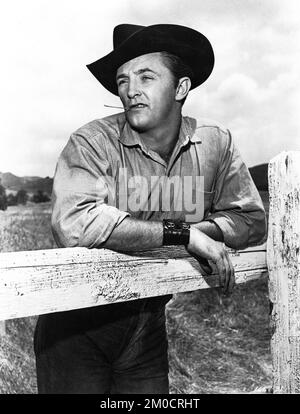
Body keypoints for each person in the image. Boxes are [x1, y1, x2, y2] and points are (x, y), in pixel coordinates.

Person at [34, 24, 267, 394]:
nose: (130, 90)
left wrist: (201, 234)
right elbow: (74, 223)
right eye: (122, 79)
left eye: (146, 76)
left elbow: (251, 220)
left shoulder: (214, 144)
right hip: (76, 329)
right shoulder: (92, 143)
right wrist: (183, 234)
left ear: (180, 88)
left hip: (147, 326)